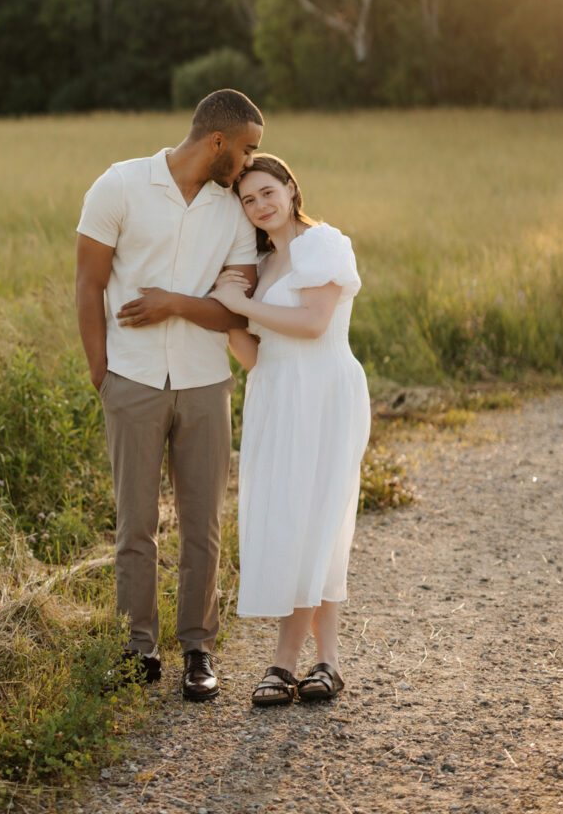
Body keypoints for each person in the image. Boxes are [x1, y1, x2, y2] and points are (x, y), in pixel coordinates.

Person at [75, 90, 263, 702]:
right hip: (130, 382)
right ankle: (139, 649)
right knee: (135, 522)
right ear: (218, 142)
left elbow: (236, 313)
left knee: (202, 522)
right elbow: (89, 280)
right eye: (247, 149)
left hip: (206, 384)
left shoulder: (233, 213)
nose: (249, 162)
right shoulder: (120, 186)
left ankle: (197, 650)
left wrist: (174, 303)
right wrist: (102, 371)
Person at [211, 153, 370, 706]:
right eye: (248, 200)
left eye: (266, 192)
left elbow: (312, 323)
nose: (259, 206)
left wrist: (239, 302)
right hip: (276, 397)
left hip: (323, 392)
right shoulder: (263, 262)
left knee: (317, 518)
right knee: (285, 520)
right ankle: (318, 664)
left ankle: (295, 663)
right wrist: (230, 317)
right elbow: (260, 356)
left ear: (290, 187)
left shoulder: (322, 244)